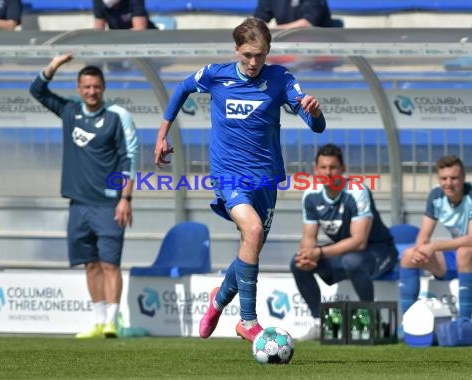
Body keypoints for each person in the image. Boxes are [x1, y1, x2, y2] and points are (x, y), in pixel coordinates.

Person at [154, 18, 326, 343]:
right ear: (236, 50)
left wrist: (315, 113)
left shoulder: (280, 79)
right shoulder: (216, 75)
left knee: (251, 247)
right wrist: (162, 134)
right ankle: (248, 321)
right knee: (253, 230)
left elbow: (315, 125)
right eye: (247, 55)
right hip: (228, 174)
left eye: (259, 56)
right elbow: (181, 88)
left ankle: (219, 299)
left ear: (268, 52)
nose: (252, 62)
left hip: (266, 179)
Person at [29, 53, 139, 339]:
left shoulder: (117, 117)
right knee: (90, 264)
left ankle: (112, 323)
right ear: (79, 88)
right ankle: (99, 321)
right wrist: (54, 65)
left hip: (109, 204)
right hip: (78, 205)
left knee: (110, 264)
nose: (91, 91)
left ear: (103, 88)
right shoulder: (69, 112)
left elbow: (129, 158)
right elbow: (36, 90)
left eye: (96, 86)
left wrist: (125, 199)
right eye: (86, 87)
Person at [290, 143, 397, 340]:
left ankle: (369, 320)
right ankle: (318, 323)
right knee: (297, 263)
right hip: (345, 254)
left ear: (343, 169)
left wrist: (320, 253)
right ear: (315, 170)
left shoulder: (357, 191)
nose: (328, 173)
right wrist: (307, 255)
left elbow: (359, 242)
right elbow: (308, 237)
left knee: (352, 260)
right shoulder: (310, 195)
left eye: (333, 167)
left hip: (380, 251)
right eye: (323, 167)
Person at [399, 155, 472, 319]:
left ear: (463, 178)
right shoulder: (435, 196)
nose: (448, 183)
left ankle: (464, 322)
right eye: (444, 178)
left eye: (454, 178)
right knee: (409, 255)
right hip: (460, 258)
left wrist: (434, 246)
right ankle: (408, 322)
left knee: (465, 252)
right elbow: (423, 237)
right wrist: (420, 251)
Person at [253, 0, 334, 29]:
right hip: (285, 43)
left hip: (317, 45)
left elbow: (308, 22)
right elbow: (260, 18)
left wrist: (274, 30)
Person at [93, 0, 158, 30]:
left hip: (145, 41)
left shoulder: (134, 2)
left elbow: (140, 30)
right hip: (117, 42)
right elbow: (99, 31)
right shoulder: (99, 2)